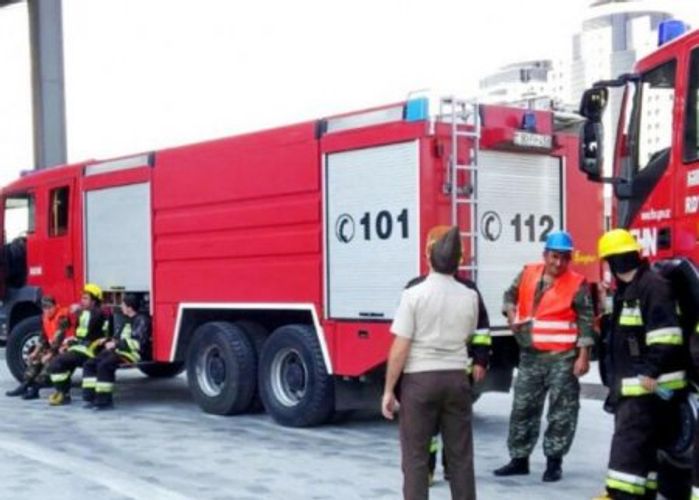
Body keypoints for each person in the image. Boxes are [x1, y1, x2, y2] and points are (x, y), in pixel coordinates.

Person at [382, 225, 483, 500]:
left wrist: (390, 390)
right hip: (456, 380)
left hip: (420, 382)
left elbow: (401, 346)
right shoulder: (471, 296)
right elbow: (470, 334)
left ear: (429, 257)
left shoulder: (414, 294)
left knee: (415, 459)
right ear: (458, 261)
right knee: (461, 457)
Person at [494, 230, 595, 482]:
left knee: (561, 412)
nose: (558, 263)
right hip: (530, 355)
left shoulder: (576, 283)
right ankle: (519, 460)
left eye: (564, 258)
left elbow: (586, 322)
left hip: (563, 357)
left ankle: (554, 462)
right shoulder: (528, 273)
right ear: (545, 254)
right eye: (554, 257)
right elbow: (509, 296)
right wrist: (510, 313)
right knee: (522, 408)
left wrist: (583, 357)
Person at [594, 229, 686, 500]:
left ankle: (620, 495)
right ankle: (640, 494)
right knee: (644, 449)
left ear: (614, 260)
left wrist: (650, 370)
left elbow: (667, 335)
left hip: (647, 387)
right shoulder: (628, 289)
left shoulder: (653, 287)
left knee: (629, 446)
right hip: (634, 386)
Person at [428, 276, 492, 485]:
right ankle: (426, 469)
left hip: (459, 370)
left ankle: (452, 469)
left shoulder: (469, 290)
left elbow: (481, 328)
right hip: (429, 369)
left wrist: (481, 360)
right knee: (428, 425)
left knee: (455, 425)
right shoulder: (417, 287)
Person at [81, 293, 151, 409]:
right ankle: (91, 397)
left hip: (131, 354)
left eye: (123, 305)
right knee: (89, 363)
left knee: (104, 365)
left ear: (129, 307)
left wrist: (116, 344)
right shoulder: (126, 320)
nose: (121, 307)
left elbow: (138, 343)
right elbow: (117, 337)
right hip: (117, 351)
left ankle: (104, 401)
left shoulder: (141, 320)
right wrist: (107, 340)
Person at [47, 283, 108, 406]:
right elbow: (80, 333)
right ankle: (63, 392)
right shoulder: (85, 313)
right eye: (82, 298)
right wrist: (69, 342)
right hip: (80, 347)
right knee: (57, 363)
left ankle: (64, 394)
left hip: (90, 349)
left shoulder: (98, 312)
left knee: (56, 363)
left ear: (94, 301)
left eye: (86, 298)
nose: (82, 301)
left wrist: (80, 310)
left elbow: (95, 320)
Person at [5, 295, 73, 399]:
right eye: (45, 308)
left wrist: (49, 354)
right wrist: (35, 352)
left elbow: (58, 338)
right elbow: (43, 338)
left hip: (65, 348)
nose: (47, 310)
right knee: (36, 359)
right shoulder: (45, 318)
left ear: (55, 306)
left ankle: (36, 389)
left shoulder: (61, 318)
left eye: (50, 307)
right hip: (55, 348)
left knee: (49, 362)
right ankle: (25, 384)